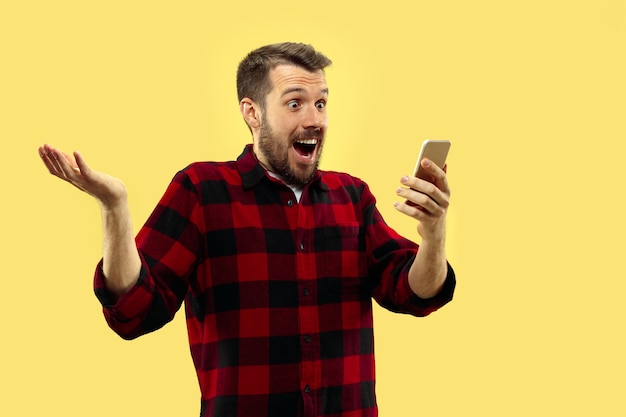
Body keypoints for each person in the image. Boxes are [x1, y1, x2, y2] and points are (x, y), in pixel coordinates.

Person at [38, 42, 456, 417]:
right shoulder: (202, 190)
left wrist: (433, 233)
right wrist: (115, 209)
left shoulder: (352, 196)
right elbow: (135, 310)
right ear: (252, 112)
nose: (315, 120)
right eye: (295, 104)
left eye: (322, 103)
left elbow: (414, 292)